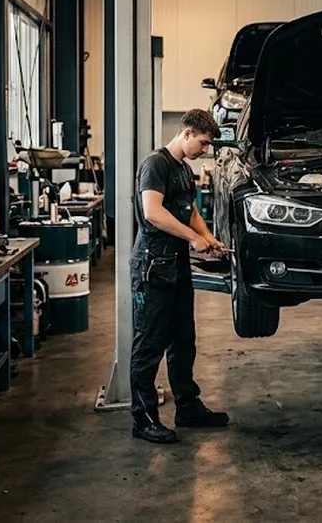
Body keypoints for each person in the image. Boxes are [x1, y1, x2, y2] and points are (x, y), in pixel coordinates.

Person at [129, 108, 231, 444]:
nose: (205, 150)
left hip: (176, 266)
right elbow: (153, 212)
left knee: (183, 339)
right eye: (202, 143)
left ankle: (187, 407)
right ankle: (143, 419)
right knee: (149, 343)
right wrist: (192, 238)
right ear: (186, 133)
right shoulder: (155, 165)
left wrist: (210, 239)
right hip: (152, 265)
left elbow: (191, 213)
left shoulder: (184, 171)